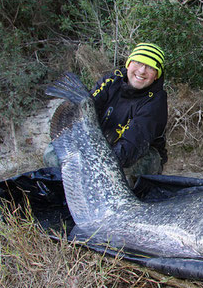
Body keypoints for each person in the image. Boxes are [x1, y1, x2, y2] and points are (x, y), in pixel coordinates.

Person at [44, 43, 168, 184]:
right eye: (138, 62)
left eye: (150, 67)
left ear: (157, 75)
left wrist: (94, 163)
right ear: (129, 63)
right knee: (53, 154)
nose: (142, 71)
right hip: (100, 143)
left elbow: (130, 149)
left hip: (135, 154)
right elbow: (81, 115)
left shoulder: (156, 102)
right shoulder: (111, 81)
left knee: (130, 172)